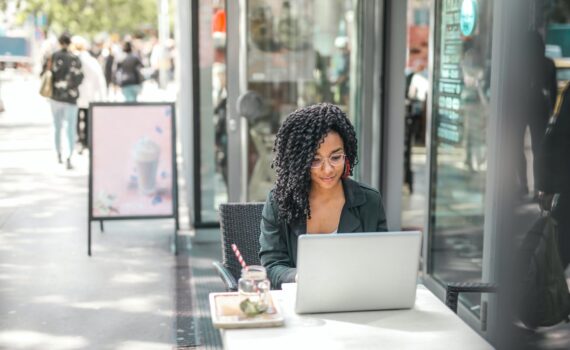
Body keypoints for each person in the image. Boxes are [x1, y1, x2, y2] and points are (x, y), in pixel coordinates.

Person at [259, 103, 388, 289]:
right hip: (300, 302)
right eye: (315, 160)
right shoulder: (279, 201)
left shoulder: (369, 201)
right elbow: (271, 266)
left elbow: (382, 263)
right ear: (299, 162)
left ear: (347, 155)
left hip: (356, 299)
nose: (327, 170)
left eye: (336, 158)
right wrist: (299, 277)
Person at [47, 32, 84, 169]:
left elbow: (47, 74)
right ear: (70, 43)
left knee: (57, 127)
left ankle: (58, 153)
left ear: (59, 42)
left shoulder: (54, 56)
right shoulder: (75, 58)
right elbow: (80, 77)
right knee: (70, 128)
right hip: (71, 98)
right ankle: (69, 156)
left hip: (56, 97)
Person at [71, 36, 107, 154]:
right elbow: (99, 78)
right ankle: (85, 141)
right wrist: (102, 96)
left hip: (76, 94)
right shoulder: (90, 60)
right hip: (88, 94)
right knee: (87, 118)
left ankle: (79, 141)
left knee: (76, 119)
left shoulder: (73, 58)